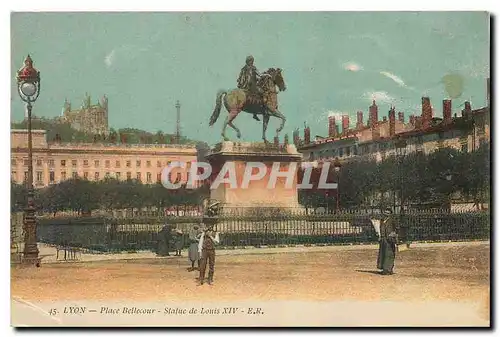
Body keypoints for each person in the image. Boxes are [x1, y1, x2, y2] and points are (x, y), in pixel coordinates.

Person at [237, 55, 262, 122]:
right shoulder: (245, 69)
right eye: (251, 61)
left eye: (252, 61)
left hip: (250, 84)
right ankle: (255, 112)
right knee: (260, 93)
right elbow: (241, 77)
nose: (252, 62)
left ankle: (255, 112)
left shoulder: (252, 68)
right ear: (248, 61)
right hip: (249, 85)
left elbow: (258, 75)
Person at [377, 208, 398, 275]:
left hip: (390, 239)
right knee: (383, 254)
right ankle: (384, 269)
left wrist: (394, 234)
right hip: (383, 239)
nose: (386, 214)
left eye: (388, 213)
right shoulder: (382, 220)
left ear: (390, 214)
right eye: (385, 212)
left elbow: (397, 228)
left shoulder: (392, 220)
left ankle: (389, 269)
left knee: (390, 254)